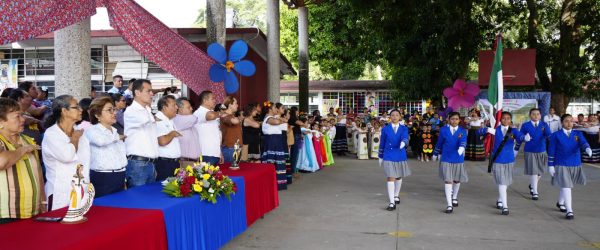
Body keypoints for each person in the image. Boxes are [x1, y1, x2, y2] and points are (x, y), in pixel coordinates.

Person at [0, 98, 46, 223]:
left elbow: (38, 174)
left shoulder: (27, 139)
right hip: (6, 214)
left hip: (33, 209)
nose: (23, 119)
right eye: (17, 116)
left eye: (22, 115)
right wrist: (23, 150)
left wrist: (43, 201)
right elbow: (2, 162)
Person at [42, 95, 90, 210]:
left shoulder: (79, 132)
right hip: (60, 192)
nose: (81, 109)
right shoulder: (52, 133)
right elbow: (67, 156)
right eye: (76, 107)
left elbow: (85, 161)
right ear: (64, 111)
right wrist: (74, 139)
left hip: (81, 189)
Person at [479, 111, 528, 215]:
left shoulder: (513, 130)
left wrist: (525, 138)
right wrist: (486, 129)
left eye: (508, 118)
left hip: (509, 160)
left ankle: (500, 199)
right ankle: (505, 207)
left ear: (511, 120)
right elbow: (478, 133)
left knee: (504, 183)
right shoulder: (495, 130)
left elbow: (520, 137)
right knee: (502, 182)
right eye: (503, 118)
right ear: (500, 120)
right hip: (497, 160)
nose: (505, 120)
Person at [548, 114, 593, 219]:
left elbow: (583, 142)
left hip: (575, 163)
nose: (569, 123)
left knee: (566, 185)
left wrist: (587, 148)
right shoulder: (556, 135)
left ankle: (560, 202)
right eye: (566, 121)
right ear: (562, 123)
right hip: (561, 163)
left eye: (571, 121)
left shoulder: (578, 133)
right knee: (567, 186)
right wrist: (550, 165)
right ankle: (569, 211)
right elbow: (551, 150)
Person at [84, 96, 127, 197]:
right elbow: (101, 141)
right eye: (109, 110)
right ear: (97, 115)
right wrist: (118, 137)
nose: (114, 113)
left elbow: (121, 155)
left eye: (114, 109)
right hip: (103, 178)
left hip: (120, 175)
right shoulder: (92, 130)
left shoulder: (115, 131)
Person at [124, 79, 159, 187]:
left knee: (148, 201)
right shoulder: (131, 111)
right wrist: (150, 112)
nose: (152, 94)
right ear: (137, 93)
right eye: (148, 91)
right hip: (138, 164)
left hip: (151, 163)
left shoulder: (146, 110)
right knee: (137, 201)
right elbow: (145, 120)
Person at [432, 112, 468, 214]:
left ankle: (455, 197)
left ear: (459, 120)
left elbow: (463, 141)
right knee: (448, 180)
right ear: (448, 119)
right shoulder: (443, 130)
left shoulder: (462, 131)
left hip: (458, 158)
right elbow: (439, 143)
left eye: (456, 119)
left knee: (456, 180)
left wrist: (461, 148)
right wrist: (435, 153)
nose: (454, 121)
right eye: (452, 119)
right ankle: (449, 204)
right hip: (446, 158)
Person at [514, 108, 551, 200]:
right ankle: (535, 192)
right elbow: (520, 137)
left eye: (538, 114)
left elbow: (549, 135)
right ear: (530, 115)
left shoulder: (544, 125)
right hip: (530, 151)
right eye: (533, 114)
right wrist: (522, 139)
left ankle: (532, 185)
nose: (536, 116)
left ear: (540, 115)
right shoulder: (525, 125)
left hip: (542, 150)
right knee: (534, 172)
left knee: (540, 172)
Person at [378, 109, 410, 211]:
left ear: (400, 117)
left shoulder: (404, 128)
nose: (395, 117)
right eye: (392, 115)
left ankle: (396, 195)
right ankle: (392, 202)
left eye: (397, 115)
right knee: (391, 177)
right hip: (388, 155)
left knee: (399, 177)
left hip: (400, 154)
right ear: (389, 117)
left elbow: (405, 137)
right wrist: (380, 156)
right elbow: (382, 142)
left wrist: (404, 143)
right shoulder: (385, 129)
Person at [261, 101, 287, 190]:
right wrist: (281, 120)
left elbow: (283, 121)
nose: (276, 109)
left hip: (276, 142)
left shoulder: (272, 117)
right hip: (271, 142)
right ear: (270, 109)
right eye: (275, 107)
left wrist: (281, 120)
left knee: (278, 163)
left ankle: (278, 184)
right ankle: (270, 184)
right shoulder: (268, 117)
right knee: (271, 163)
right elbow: (275, 122)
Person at [154, 95, 181, 181]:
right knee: (163, 190)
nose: (177, 107)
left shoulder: (169, 119)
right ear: (164, 107)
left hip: (172, 163)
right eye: (174, 105)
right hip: (165, 163)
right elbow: (162, 141)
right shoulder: (159, 119)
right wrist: (172, 133)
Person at [194, 91, 222, 165]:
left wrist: (219, 152)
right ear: (205, 101)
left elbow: (216, 134)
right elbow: (211, 116)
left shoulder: (211, 112)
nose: (215, 101)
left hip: (214, 153)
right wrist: (221, 113)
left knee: (215, 176)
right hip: (205, 153)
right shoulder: (199, 112)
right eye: (212, 99)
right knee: (205, 176)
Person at [173, 97, 201, 168]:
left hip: (196, 161)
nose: (191, 109)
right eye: (188, 107)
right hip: (186, 162)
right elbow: (194, 118)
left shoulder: (188, 122)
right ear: (180, 110)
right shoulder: (177, 119)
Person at [221, 96, 243, 164]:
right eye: (235, 103)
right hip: (229, 149)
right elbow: (235, 121)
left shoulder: (230, 115)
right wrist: (241, 118)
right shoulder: (224, 115)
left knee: (235, 171)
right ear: (230, 105)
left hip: (236, 148)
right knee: (230, 172)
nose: (237, 105)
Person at [288, 107, 305, 175]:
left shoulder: (294, 118)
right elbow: (301, 123)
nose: (298, 112)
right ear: (295, 111)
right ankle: (293, 171)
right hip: (295, 136)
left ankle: (293, 170)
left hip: (296, 136)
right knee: (295, 154)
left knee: (294, 154)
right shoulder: (293, 118)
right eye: (297, 111)